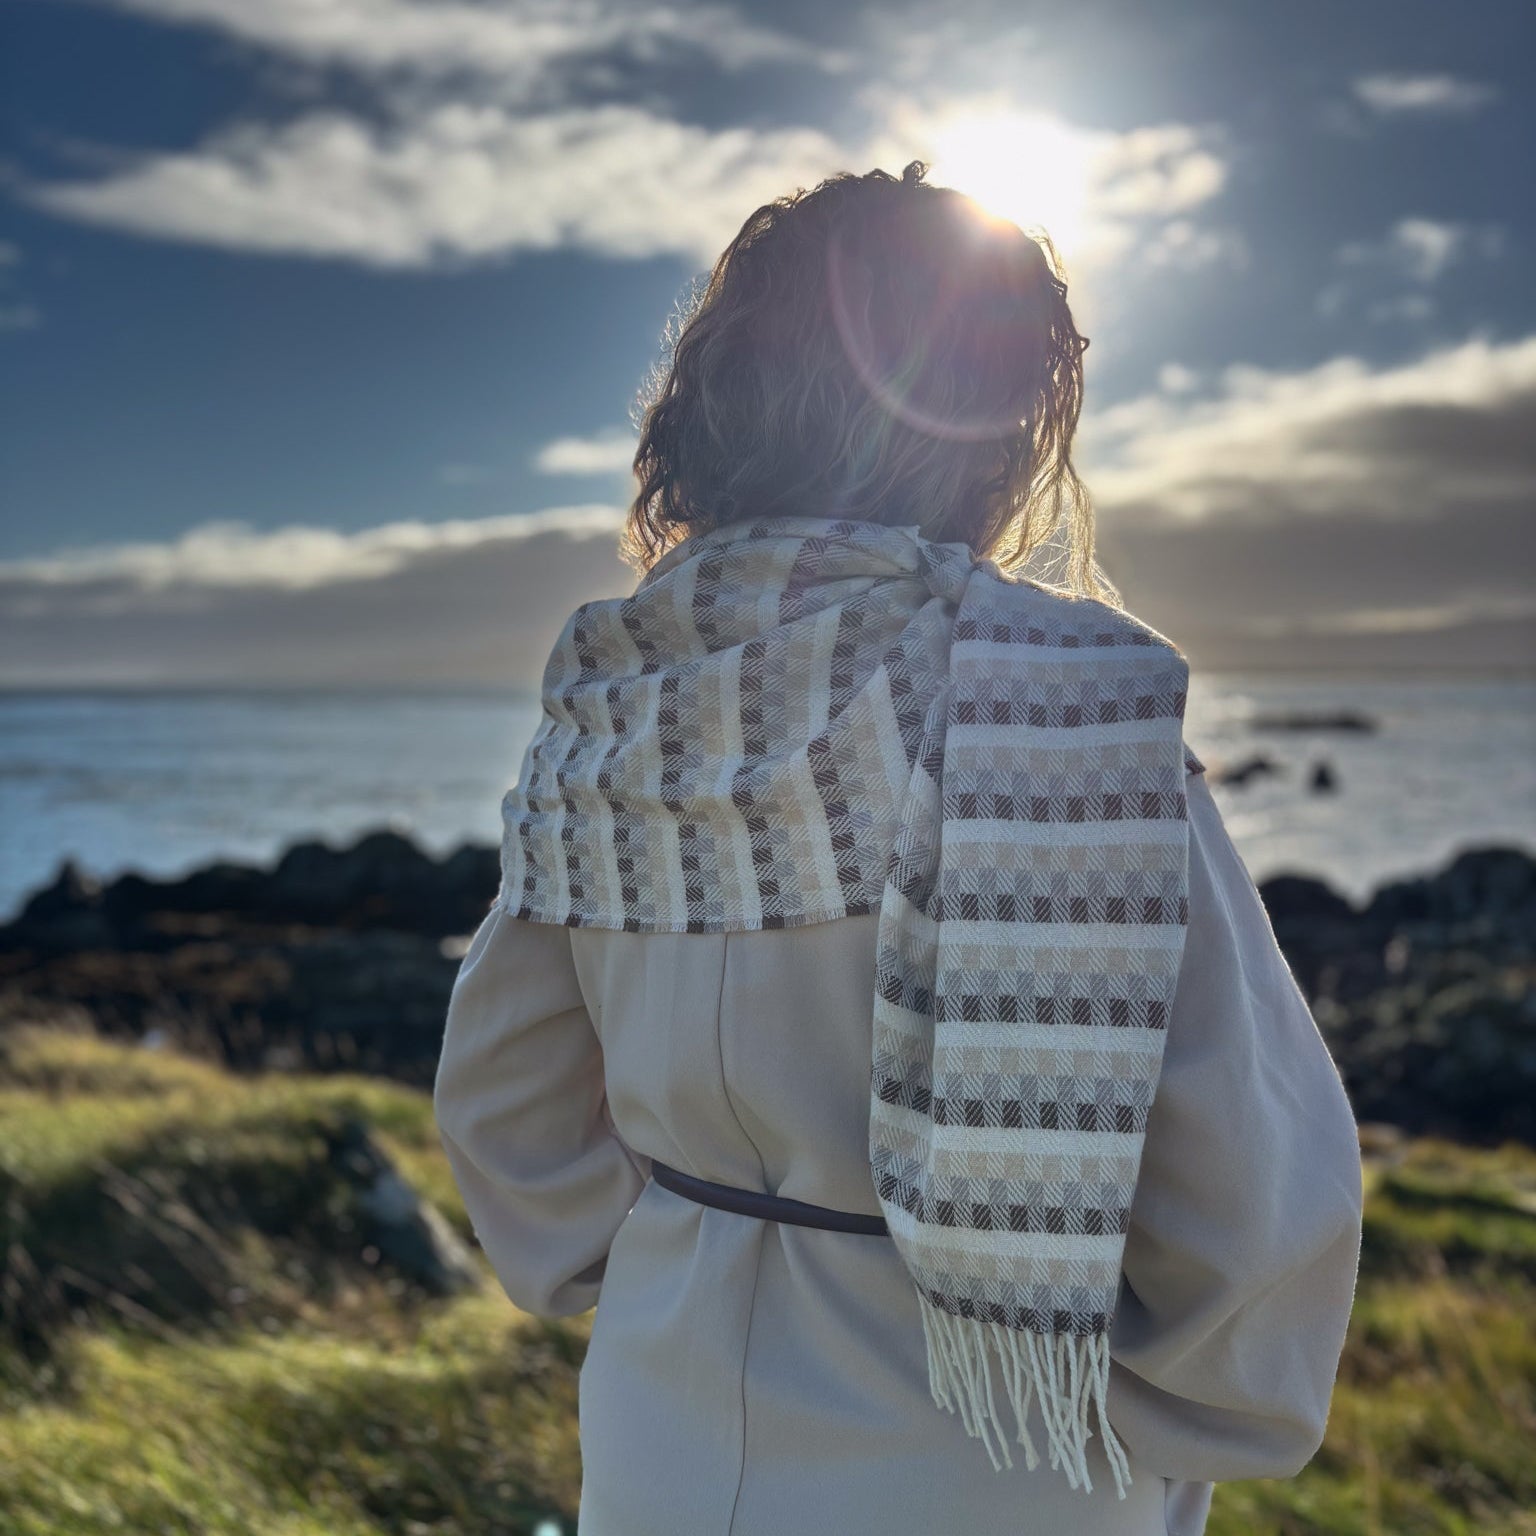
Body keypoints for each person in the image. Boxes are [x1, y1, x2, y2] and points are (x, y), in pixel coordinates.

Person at [433, 161, 1364, 1536]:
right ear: (994, 424)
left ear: (712, 399)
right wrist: (1177, 1424)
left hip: (663, 1438)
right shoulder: (1055, 701)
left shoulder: (618, 695)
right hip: (1005, 1458)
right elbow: (1256, 1184)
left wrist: (658, 1272)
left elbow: (505, 1104)